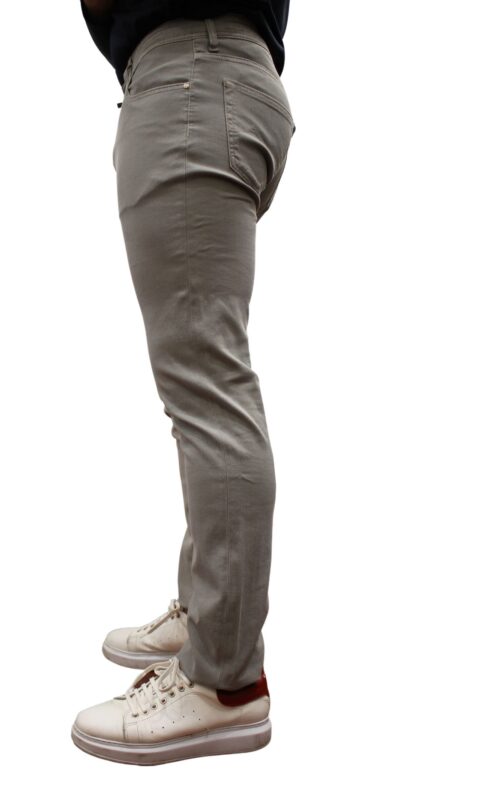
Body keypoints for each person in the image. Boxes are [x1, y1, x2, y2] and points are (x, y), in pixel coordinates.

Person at [72, 1, 295, 765]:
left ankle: (223, 681)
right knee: (204, 387)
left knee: (208, 394)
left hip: (191, 81)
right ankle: (209, 611)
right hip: (219, 77)